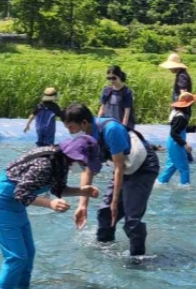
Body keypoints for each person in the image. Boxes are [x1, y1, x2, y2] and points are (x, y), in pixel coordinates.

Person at [0, 134, 100, 289]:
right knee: (16, 257)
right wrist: (50, 203)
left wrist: (82, 191)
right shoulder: (45, 163)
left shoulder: (62, 162)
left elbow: (58, 189)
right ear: (74, 155)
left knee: (28, 254)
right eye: (83, 162)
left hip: (16, 206)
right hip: (1, 205)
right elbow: (21, 193)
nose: (84, 167)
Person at [62, 103, 159, 257]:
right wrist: (82, 206)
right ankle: (104, 251)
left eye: (71, 128)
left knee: (131, 221)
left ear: (84, 123)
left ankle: (138, 260)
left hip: (143, 167)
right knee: (105, 213)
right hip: (125, 167)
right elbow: (88, 170)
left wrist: (115, 201)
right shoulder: (86, 138)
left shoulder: (111, 130)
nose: (70, 132)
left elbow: (119, 167)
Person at [158, 92, 196, 186]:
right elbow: (174, 133)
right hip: (176, 144)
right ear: (187, 106)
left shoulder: (177, 114)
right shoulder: (181, 117)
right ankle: (185, 186)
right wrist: (185, 144)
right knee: (184, 167)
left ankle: (160, 183)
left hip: (171, 142)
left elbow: (181, 129)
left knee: (171, 166)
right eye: (191, 104)